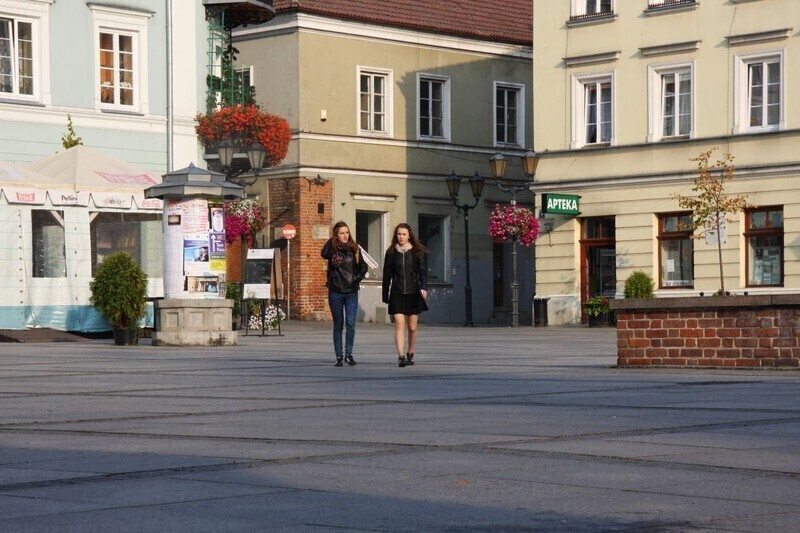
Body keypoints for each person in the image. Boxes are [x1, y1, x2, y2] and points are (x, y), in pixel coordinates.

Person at [321, 221, 368, 366]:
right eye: (342, 233)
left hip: (351, 291)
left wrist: (356, 279)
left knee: (350, 324)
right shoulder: (332, 249)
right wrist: (331, 239)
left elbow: (363, 266)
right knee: (338, 325)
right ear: (336, 235)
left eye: (347, 232)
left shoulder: (354, 248)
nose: (345, 235)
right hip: (335, 290)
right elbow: (323, 253)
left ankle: (349, 354)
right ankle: (339, 356)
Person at [382, 223, 428, 367]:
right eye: (399, 234)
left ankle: (410, 352)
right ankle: (401, 356)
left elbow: (423, 272)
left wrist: (424, 288)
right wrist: (385, 295)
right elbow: (387, 275)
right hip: (397, 292)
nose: (401, 237)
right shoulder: (391, 252)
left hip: (413, 293)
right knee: (399, 325)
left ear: (409, 235)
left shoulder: (417, 252)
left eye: (403, 234)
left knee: (412, 327)